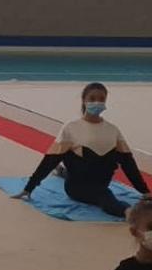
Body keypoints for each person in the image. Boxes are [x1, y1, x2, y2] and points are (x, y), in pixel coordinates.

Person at [13, 83, 149, 218]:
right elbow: (50, 160)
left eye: (101, 99)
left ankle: (62, 171)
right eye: (92, 98)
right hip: (77, 187)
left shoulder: (113, 130)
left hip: (100, 181)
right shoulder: (71, 128)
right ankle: (132, 214)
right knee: (104, 195)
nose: (97, 102)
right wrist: (29, 188)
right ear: (84, 100)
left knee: (96, 171)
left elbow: (128, 163)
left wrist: (145, 191)